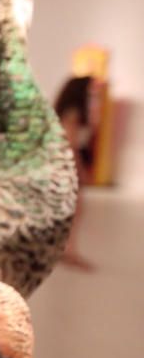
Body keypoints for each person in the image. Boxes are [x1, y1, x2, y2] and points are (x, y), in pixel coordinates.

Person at [54, 75, 101, 270]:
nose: (94, 94)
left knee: (68, 209)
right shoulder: (74, 112)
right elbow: (71, 143)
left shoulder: (69, 110)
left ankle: (65, 249)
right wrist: (81, 170)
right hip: (70, 163)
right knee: (75, 209)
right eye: (91, 91)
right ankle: (69, 251)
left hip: (63, 162)